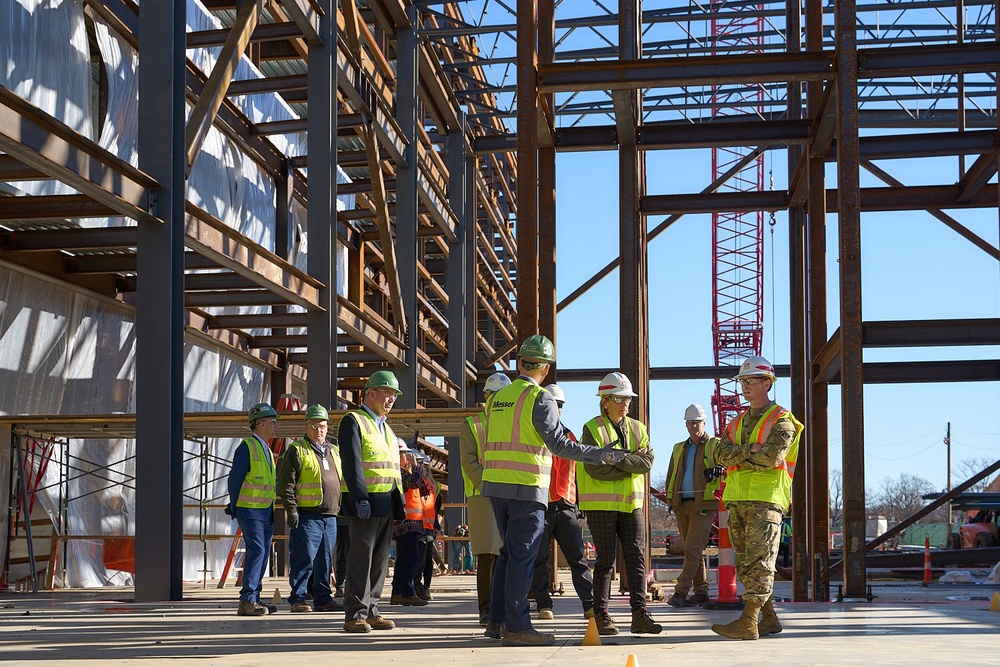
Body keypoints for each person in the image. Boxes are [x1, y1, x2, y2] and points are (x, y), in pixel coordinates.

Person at [482, 335, 627, 647]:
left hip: (495, 485)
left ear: (520, 362)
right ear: (545, 368)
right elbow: (558, 444)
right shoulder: (540, 398)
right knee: (522, 557)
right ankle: (518, 626)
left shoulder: (498, 397)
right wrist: (601, 454)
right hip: (526, 487)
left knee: (508, 554)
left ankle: (496, 622)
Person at [711, 355, 803, 641]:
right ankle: (770, 618)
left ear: (767, 383)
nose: (744, 386)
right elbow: (720, 454)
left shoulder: (783, 420)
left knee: (761, 560)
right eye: (742, 382)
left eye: (751, 381)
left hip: (766, 499)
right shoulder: (736, 422)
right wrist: (750, 450)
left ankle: (749, 620)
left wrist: (740, 455)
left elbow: (772, 457)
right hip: (737, 498)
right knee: (748, 563)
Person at [577, 372, 663, 636]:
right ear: (605, 401)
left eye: (628, 398)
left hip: (632, 504)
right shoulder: (592, 429)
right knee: (605, 561)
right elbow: (594, 470)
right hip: (600, 505)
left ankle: (640, 613)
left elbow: (647, 463)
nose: (625, 403)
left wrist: (615, 460)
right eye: (619, 398)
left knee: (636, 557)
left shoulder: (638, 428)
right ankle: (601, 614)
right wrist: (630, 464)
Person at [339, 370, 405, 633]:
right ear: (371, 393)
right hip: (366, 502)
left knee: (379, 561)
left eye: (394, 396)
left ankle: (372, 609)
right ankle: (354, 613)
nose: (391, 400)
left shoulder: (386, 428)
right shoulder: (353, 420)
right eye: (387, 394)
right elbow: (352, 462)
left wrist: (397, 500)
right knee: (360, 558)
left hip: (386, 500)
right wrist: (360, 497)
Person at [531, 383, 595, 620]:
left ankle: (590, 605)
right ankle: (543, 605)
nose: (556, 409)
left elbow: (577, 474)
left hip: (566, 504)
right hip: (542, 504)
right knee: (539, 558)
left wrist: (579, 505)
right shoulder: (536, 436)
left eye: (559, 406)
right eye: (553, 404)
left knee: (578, 558)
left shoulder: (569, 437)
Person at [276, 404, 343, 613]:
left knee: (325, 559)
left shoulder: (334, 451)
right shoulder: (297, 450)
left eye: (322, 425)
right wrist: (292, 509)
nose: (318, 430)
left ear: (327, 427)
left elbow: (342, 481)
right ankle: (298, 598)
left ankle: (323, 597)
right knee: (303, 558)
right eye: (314, 425)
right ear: (306, 426)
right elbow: (285, 483)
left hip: (330, 515)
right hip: (307, 515)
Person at [459, 371, 509, 625]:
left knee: (507, 553)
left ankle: (505, 606)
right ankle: (487, 608)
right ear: (486, 397)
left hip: (511, 494)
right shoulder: (473, 424)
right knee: (487, 554)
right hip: (483, 495)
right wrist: (491, 482)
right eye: (494, 395)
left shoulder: (513, 423)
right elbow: (469, 462)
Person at [663, 403, 721, 608]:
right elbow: (672, 474)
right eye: (691, 423)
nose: (694, 426)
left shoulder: (715, 445)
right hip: (682, 504)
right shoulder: (679, 448)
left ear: (704, 423)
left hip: (703, 504)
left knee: (692, 548)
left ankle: (681, 592)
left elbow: (726, 467)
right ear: (686, 425)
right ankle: (701, 591)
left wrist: (719, 470)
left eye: (698, 422)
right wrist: (671, 500)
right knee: (693, 551)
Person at [227, 402, 278, 617]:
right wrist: (235, 506)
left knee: (263, 553)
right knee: (257, 551)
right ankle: (247, 599)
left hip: (265, 510)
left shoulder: (266, 449)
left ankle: (255, 596)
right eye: (273, 422)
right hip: (250, 509)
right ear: (261, 424)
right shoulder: (247, 447)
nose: (276, 426)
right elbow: (235, 479)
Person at [390, 441, 432, 606]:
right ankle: (407, 592)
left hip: (411, 523)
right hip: (405, 522)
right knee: (410, 558)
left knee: (403, 558)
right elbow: (414, 482)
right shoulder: (399, 473)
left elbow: (423, 487)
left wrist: (417, 469)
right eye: (404, 454)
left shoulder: (405, 472)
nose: (407, 457)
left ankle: (398, 593)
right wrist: (416, 466)